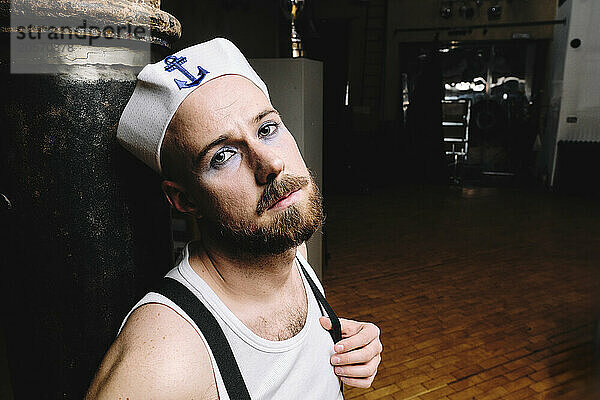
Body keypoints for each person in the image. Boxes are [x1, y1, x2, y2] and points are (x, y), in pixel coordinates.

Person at [86, 38, 382, 399]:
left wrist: (344, 349)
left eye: (267, 129)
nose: (271, 164)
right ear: (184, 199)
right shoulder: (167, 357)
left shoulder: (290, 249)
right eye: (223, 155)